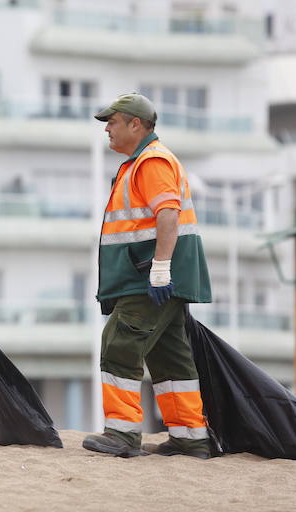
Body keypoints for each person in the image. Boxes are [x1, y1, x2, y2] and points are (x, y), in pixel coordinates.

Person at [82, 92, 213, 459]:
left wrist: (159, 269)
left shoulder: (151, 161)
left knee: (120, 343)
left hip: (149, 278)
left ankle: (122, 434)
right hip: (152, 276)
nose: (107, 128)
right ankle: (190, 437)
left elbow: (167, 214)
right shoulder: (139, 162)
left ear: (135, 125)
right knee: (170, 356)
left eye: (113, 121)